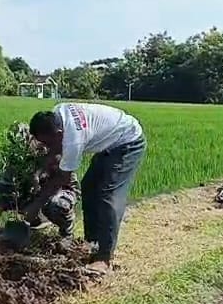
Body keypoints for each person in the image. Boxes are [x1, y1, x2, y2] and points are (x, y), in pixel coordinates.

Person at [26, 103, 147, 275]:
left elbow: (63, 178)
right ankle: (92, 242)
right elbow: (54, 150)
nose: (47, 147)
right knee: (89, 187)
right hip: (110, 142)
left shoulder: (73, 139)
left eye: (47, 142)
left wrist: (36, 205)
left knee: (108, 195)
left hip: (128, 142)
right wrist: (40, 169)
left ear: (59, 134)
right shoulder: (58, 113)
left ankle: (104, 258)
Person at [0, 123, 80, 239]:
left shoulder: (49, 152)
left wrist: (38, 178)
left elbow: (61, 180)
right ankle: (33, 223)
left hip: (62, 189)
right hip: (38, 192)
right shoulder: (16, 159)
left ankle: (67, 233)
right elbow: (6, 187)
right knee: (8, 189)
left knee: (56, 206)